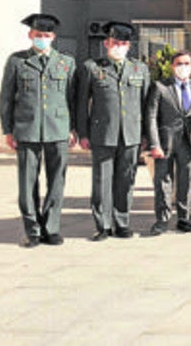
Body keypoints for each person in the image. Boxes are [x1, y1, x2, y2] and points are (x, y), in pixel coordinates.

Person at [0, 13, 78, 247]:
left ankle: (51, 228)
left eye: (46, 35)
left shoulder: (66, 62)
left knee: (56, 181)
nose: (42, 39)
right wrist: (8, 130)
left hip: (58, 128)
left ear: (53, 37)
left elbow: (72, 98)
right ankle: (32, 229)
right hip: (27, 128)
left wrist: (73, 128)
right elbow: (6, 98)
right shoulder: (17, 61)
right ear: (30, 35)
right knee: (27, 182)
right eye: (38, 35)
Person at [76, 21, 151, 241]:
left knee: (126, 181)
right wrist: (83, 133)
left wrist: (146, 135)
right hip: (102, 134)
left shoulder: (140, 69)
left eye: (123, 43)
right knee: (102, 182)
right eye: (115, 42)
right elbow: (82, 103)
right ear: (106, 43)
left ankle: (122, 222)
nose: (119, 47)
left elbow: (147, 104)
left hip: (131, 135)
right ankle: (103, 225)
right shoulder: (92, 67)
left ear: (129, 46)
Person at [144, 51, 191, 235]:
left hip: (190, 142)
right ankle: (162, 219)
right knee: (163, 181)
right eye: (178, 63)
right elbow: (151, 117)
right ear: (172, 66)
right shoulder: (160, 87)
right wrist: (154, 144)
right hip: (165, 142)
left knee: (186, 181)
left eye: (186, 63)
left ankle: (184, 218)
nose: (183, 67)